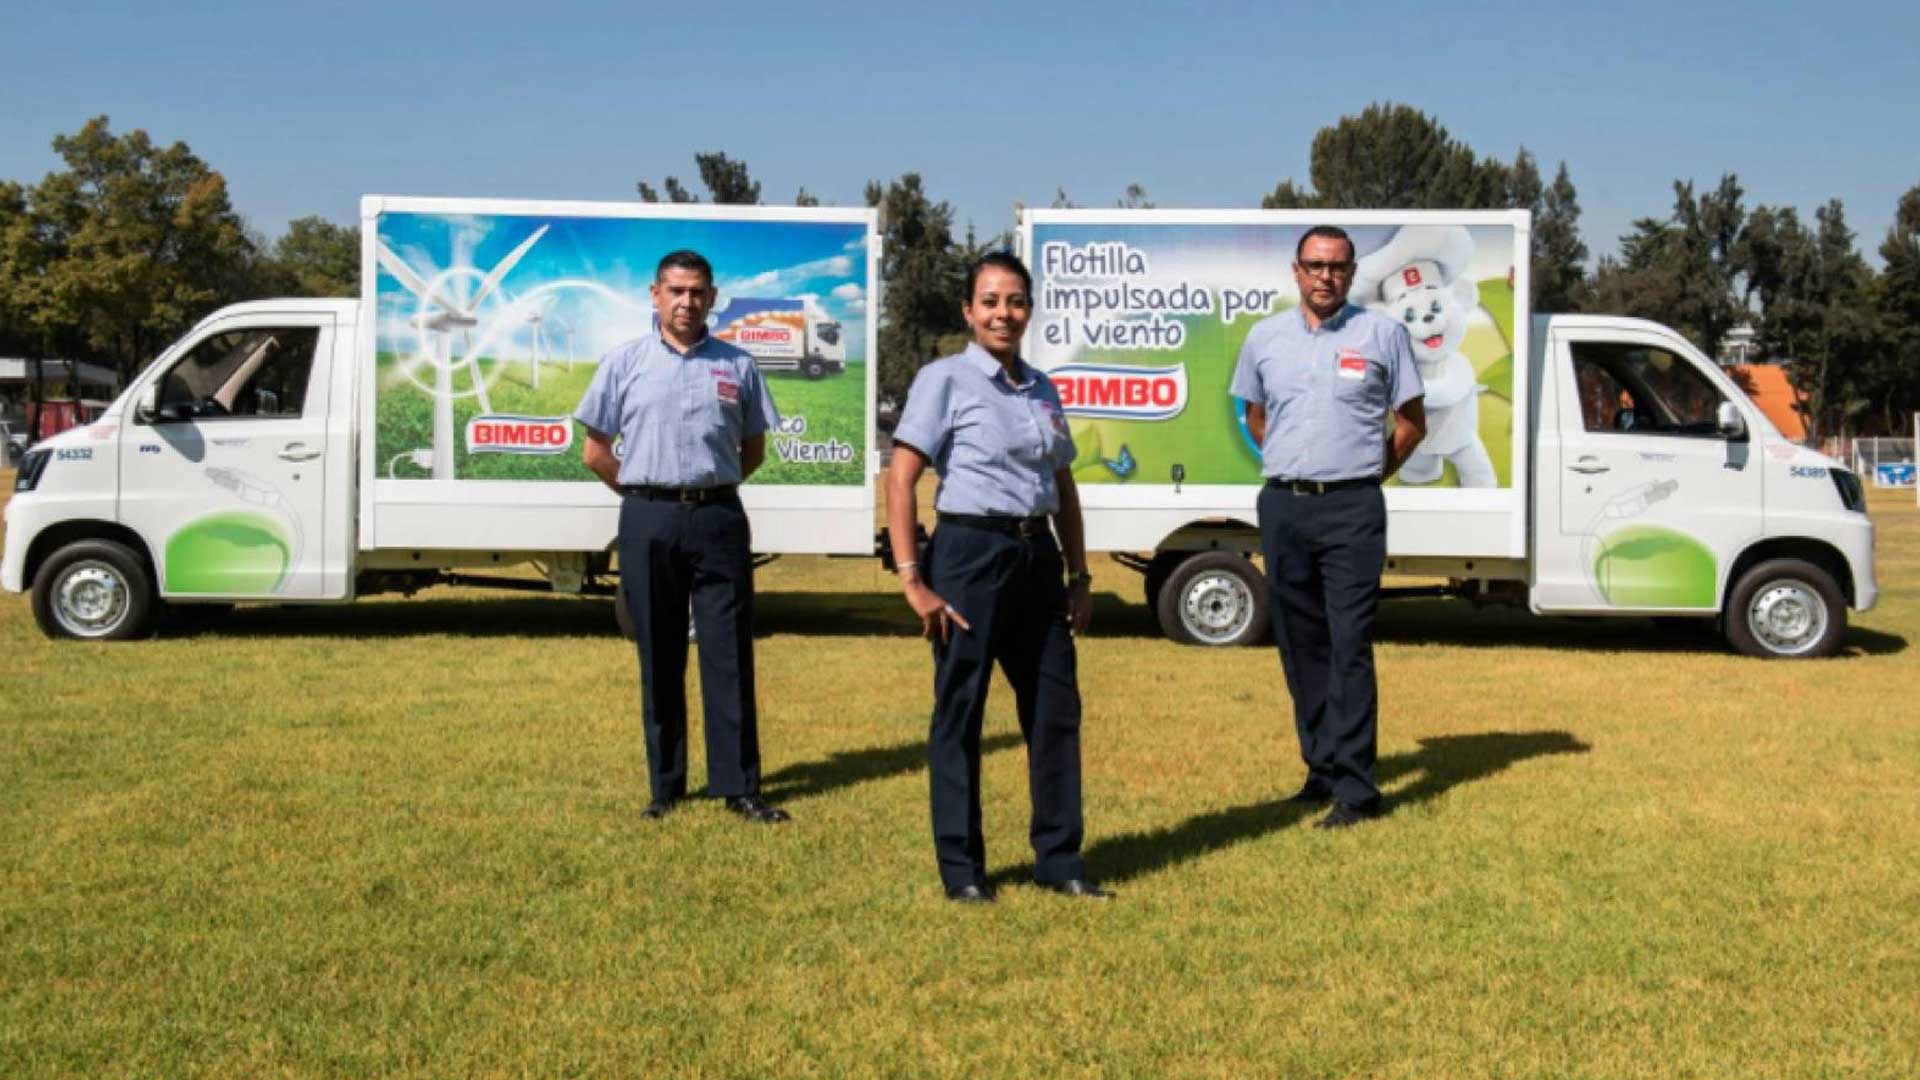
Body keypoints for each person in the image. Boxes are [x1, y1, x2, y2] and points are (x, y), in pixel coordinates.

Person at [885, 251, 1109, 903]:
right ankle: (962, 871)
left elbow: (1062, 485)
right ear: (968, 311)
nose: (1002, 313)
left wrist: (1079, 573)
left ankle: (1060, 860)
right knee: (961, 710)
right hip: (968, 555)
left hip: (1037, 558)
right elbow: (902, 477)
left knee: (1055, 708)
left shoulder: (1042, 387)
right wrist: (912, 578)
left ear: (1028, 310)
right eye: (989, 301)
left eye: (1014, 301)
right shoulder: (944, 380)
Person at [575, 249, 790, 824]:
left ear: (712, 299)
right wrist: (646, 492)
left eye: (697, 292)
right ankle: (666, 787)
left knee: (728, 653)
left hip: (719, 518)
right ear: (655, 294)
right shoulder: (624, 363)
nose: (686, 302)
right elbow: (595, 452)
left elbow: (752, 450)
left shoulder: (738, 366)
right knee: (660, 652)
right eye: (676, 290)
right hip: (648, 519)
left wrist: (707, 487)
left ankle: (739, 787)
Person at [1230, 225, 1426, 829]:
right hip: (1284, 507)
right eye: (1315, 265)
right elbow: (1256, 417)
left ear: (1351, 273)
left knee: (1349, 645)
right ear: (1297, 271)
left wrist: (1365, 473)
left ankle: (1358, 790)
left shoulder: (1383, 335)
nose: (1325, 276)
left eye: (1337, 266)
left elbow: (1411, 422)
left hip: (1352, 511)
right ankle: (1320, 769)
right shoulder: (1264, 339)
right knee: (1300, 644)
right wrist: (1295, 463)